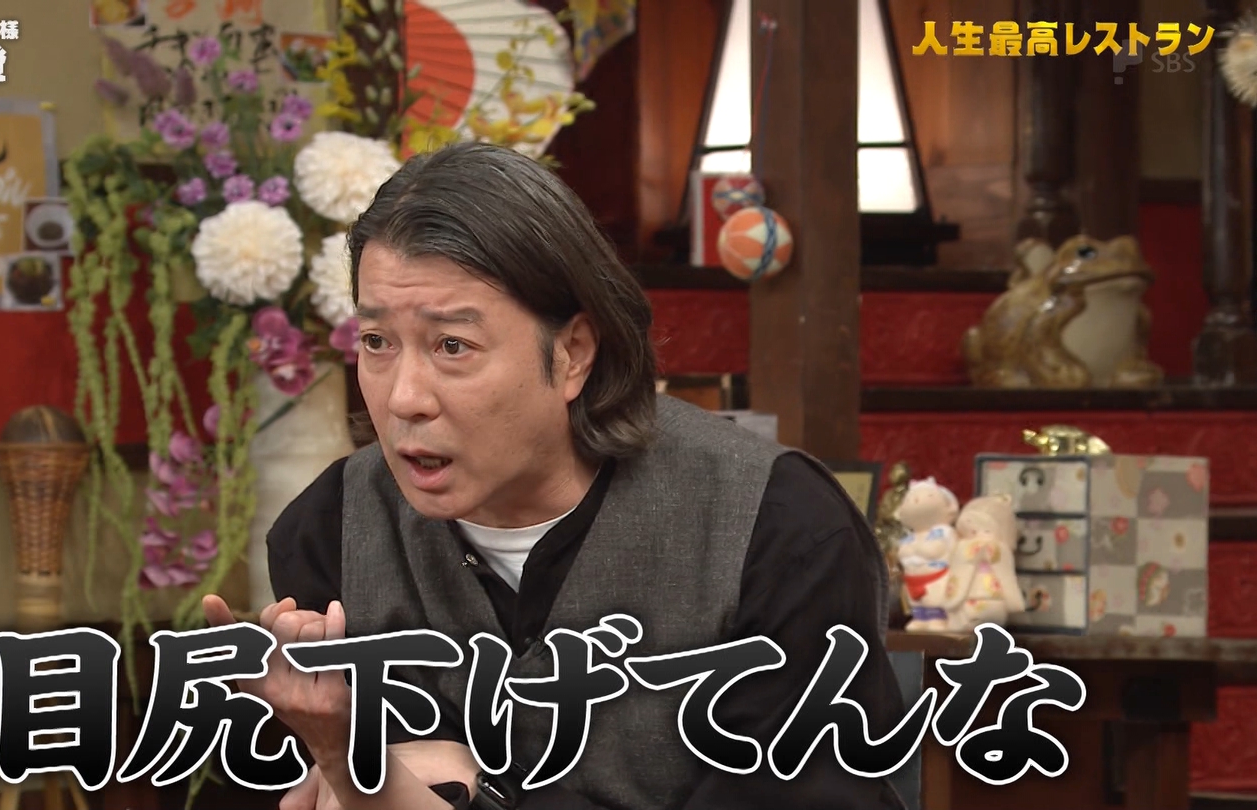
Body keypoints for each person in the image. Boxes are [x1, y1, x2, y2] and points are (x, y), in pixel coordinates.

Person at [203, 141, 908, 809]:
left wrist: (473, 788)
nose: (404, 398)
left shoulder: (776, 526)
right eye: (378, 342)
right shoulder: (332, 528)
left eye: (453, 345)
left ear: (573, 352)